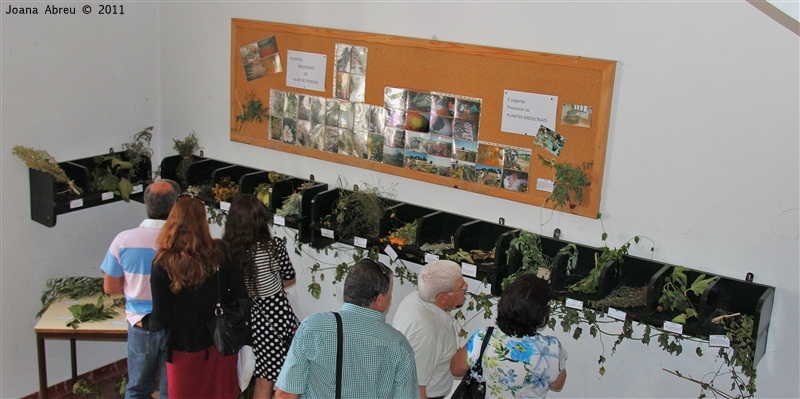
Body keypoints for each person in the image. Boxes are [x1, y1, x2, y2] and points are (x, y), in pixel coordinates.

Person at [141, 193, 247, 399]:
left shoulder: (162, 262)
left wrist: (143, 323)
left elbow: (160, 317)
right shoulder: (222, 252)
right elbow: (241, 297)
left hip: (183, 350)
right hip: (220, 344)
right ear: (203, 222)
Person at [274, 258, 418, 399]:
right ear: (379, 299)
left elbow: (286, 394)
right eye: (390, 292)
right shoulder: (399, 345)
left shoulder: (312, 328)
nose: (390, 297)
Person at [100, 179, 180, 399]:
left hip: (141, 323)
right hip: (176, 323)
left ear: (147, 205)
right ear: (176, 207)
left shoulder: (124, 240)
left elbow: (110, 286)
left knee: (137, 387)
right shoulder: (183, 241)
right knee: (171, 388)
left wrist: (136, 286)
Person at [223, 194, 300, 398]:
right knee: (277, 378)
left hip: (243, 319)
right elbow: (289, 278)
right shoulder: (273, 247)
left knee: (260, 376)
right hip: (274, 316)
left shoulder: (228, 251)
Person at [450, 274, 567, 398]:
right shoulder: (552, 348)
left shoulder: (483, 337)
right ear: (541, 313)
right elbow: (557, 384)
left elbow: (456, 369)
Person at [392, 260, 467, 399]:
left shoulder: (415, 298)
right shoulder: (426, 333)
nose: (466, 287)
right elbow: (416, 391)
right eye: (461, 285)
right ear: (442, 298)